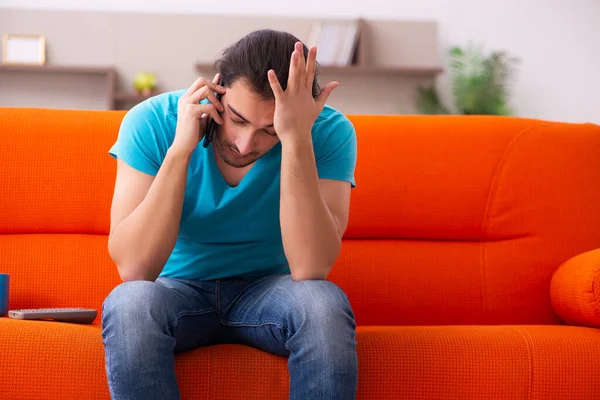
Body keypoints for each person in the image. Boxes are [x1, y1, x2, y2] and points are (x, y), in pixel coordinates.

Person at [101, 29, 358, 400]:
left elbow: (310, 269)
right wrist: (180, 150)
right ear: (215, 89)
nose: (244, 144)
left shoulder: (328, 133)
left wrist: (296, 138)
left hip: (271, 291)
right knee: (130, 304)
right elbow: (135, 271)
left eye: (269, 131)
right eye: (236, 119)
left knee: (323, 304)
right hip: (178, 290)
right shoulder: (152, 121)